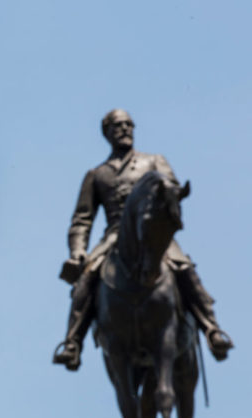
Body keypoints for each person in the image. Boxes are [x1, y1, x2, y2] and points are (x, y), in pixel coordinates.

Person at [53, 109, 233, 371]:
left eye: (128, 124)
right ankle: (72, 343)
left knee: (183, 267)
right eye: (117, 125)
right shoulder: (97, 174)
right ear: (106, 133)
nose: (124, 129)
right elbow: (82, 219)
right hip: (114, 236)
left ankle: (211, 329)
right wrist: (78, 251)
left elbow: (171, 189)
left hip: (152, 231)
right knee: (87, 278)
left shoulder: (154, 162)